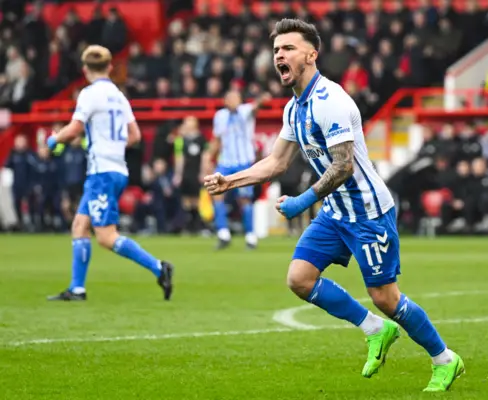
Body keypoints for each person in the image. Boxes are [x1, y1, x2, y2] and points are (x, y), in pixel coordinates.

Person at [204, 19, 464, 392]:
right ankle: (374, 328)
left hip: (368, 213)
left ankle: (445, 359)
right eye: (277, 49)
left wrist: (303, 201)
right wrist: (233, 180)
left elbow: (343, 165)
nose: (280, 55)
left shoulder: (332, 102)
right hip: (336, 213)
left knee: (386, 298)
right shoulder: (295, 108)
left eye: (288, 48)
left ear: (311, 54)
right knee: (299, 278)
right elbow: (276, 163)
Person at [45, 45, 174, 301]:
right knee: (80, 225)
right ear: (110, 67)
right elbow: (135, 136)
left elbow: (73, 129)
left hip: (102, 173)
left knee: (106, 236)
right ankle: (77, 289)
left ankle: (159, 267)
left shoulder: (89, 94)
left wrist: (53, 140)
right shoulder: (118, 95)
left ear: (84, 69)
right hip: (115, 169)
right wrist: (111, 145)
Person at [210, 90, 271, 249]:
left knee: (244, 199)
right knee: (216, 194)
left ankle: (250, 236)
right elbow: (217, 139)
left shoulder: (245, 110)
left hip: (243, 162)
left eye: (235, 98)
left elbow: (256, 107)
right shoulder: (220, 116)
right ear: (225, 100)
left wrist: (262, 100)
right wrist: (209, 158)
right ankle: (223, 233)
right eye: (229, 98)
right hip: (225, 162)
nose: (232, 100)